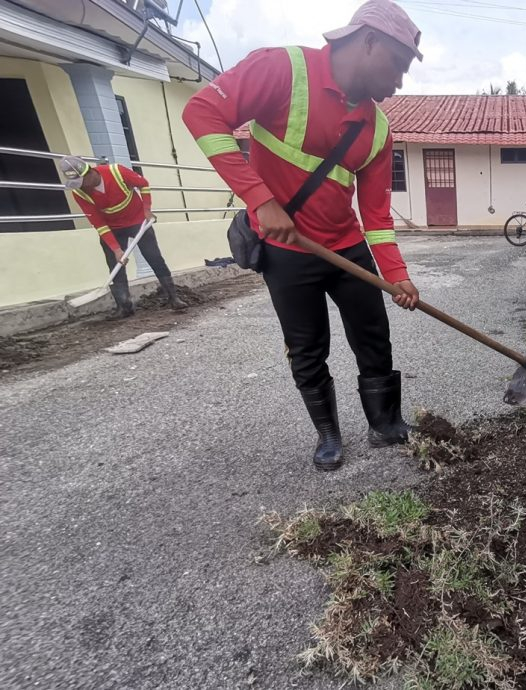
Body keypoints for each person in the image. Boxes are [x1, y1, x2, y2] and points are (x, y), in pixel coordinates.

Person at [182, 0, 423, 472]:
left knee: (374, 337)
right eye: (397, 65)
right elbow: (202, 113)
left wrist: (397, 275)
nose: (399, 82)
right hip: (286, 249)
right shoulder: (282, 69)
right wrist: (259, 198)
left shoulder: (378, 129)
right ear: (368, 40)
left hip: (346, 247)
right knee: (307, 346)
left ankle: (385, 423)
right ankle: (328, 435)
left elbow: (375, 217)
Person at [60, 156, 187, 316]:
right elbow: (98, 223)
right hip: (112, 228)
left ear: (90, 173)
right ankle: (124, 307)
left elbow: (144, 184)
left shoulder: (117, 172)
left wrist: (146, 209)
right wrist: (116, 249)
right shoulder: (80, 193)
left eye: (82, 182)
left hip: (138, 221)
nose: (81, 187)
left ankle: (173, 298)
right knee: (115, 265)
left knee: (154, 257)